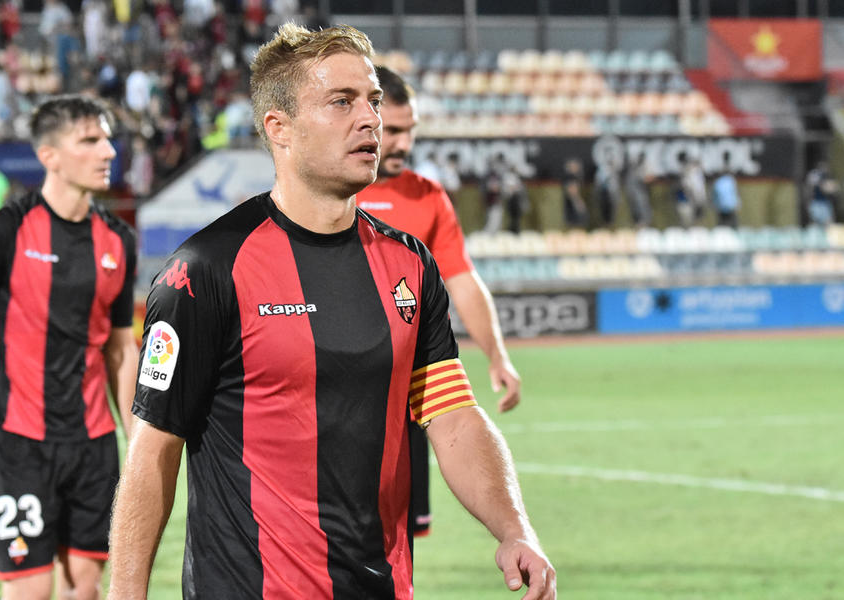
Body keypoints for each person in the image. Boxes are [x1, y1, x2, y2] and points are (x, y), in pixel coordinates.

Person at [108, 23, 555, 600]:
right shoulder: (205, 270)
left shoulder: (409, 264)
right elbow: (152, 453)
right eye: (341, 102)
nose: (369, 118)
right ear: (280, 129)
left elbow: (453, 418)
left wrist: (514, 529)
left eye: (371, 100)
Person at [0, 95, 138, 600]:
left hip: (92, 443)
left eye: (107, 138)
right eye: (90, 140)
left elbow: (121, 349)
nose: (108, 150)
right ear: (50, 156)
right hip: (17, 439)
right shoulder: (1, 231)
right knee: (30, 591)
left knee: (83, 588)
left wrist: (138, 437)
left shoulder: (118, 240)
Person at [355, 65, 523, 540]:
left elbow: (463, 281)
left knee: (398, 536)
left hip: (407, 395)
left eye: (412, 131)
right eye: (396, 130)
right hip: (340, 391)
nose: (405, 144)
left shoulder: (428, 197)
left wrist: (497, 356)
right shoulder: (328, 193)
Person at [561, 157, 588, 230]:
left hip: (571, 210)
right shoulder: (571, 178)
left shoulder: (574, 178)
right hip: (573, 211)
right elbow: (573, 193)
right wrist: (579, 204)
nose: (577, 167)